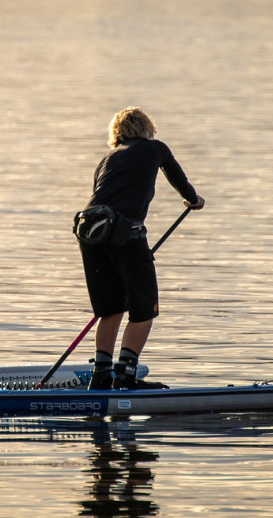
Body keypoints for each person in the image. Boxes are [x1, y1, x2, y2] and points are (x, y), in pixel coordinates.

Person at [78, 107, 205, 390]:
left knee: (110, 309)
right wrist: (194, 200)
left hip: (88, 231)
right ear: (147, 129)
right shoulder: (155, 148)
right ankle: (124, 377)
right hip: (125, 234)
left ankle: (101, 377)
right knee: (144, 309)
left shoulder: (107, 157)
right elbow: (179, 181)